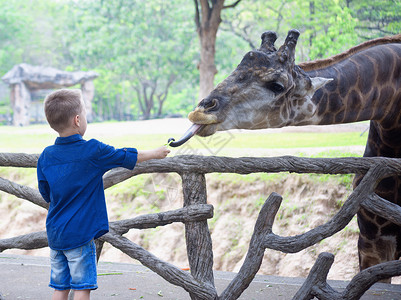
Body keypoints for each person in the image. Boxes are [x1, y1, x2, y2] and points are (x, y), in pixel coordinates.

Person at [37, 89, 170, 300]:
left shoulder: (46, 155)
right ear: (77, 120)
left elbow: (45, 193)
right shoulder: (92, 150)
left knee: (60, 287)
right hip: (80, 235)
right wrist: (156, 153)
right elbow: (123, 155)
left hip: (55, 233)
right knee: (82, 287)